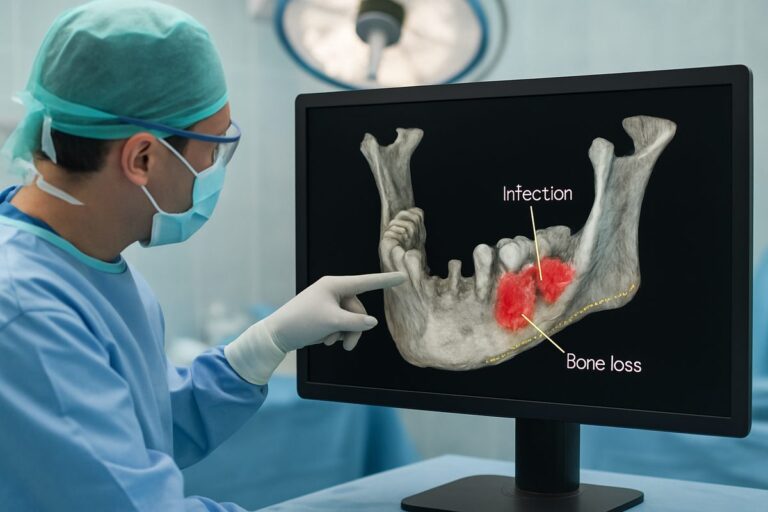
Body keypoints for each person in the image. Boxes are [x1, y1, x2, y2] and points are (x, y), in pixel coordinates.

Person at [0, 1, 406, 510]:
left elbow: (143, 426)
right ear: (142, 158)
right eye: (213, 149)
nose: (216, 168)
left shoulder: (89, 265)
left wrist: (264, 343)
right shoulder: (25, 313)